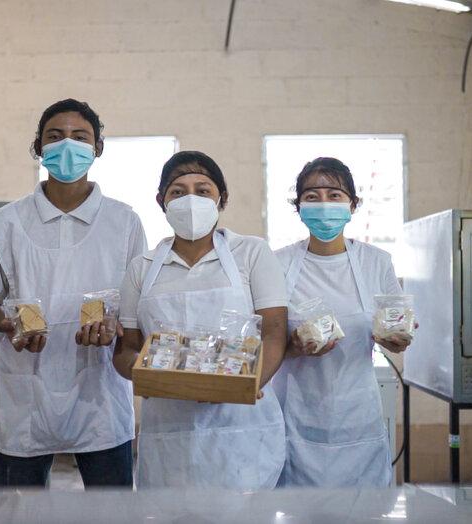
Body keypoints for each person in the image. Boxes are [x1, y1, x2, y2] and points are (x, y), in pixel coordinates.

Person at [0, 98, 147, 488]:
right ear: (38, 147)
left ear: (98, 148)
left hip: (100, 390)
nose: (67, 144)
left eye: (79, 136)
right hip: (27, 391)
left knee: (110, 511)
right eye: (55, 136)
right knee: (17, 512)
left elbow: (137, 308)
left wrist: (115, 329)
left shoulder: (124, 222)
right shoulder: (6, 223)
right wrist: (10, 325)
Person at [112, 151, 289, 490]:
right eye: (178, 191)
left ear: (222, 199)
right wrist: (156, 376)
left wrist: (245, 384)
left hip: (241, 427)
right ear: (161, 201)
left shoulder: (251, 253)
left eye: (203, 190)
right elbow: (126, 349)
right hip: (168, 429)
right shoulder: (142, 268)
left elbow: (275, 333)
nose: (190, 200)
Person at [272, 157, 414, 488]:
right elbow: (264, 340)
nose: (323, 205)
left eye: (334, 195)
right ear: (299, 206)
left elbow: (397, 324)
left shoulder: (376, 262)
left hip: (358, 419)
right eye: (312, 196)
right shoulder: (276, 264)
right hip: (294, 420)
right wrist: (293, 348)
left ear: (353, 204)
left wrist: (398, 339)